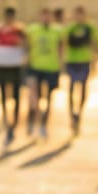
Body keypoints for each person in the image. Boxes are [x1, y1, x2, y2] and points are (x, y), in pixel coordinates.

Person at [0, 6, 28, 145]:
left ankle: (14, 122)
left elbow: (28, 45)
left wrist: (21, 45)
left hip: (15, 65)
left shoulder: (20, 30)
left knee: (16, 95)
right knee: (2, 93)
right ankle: (5, 120)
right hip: (1, 64)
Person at [25, 7, 64, 138]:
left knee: (48, 98)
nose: (46, 19)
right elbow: (24, 43)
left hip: (52, 67)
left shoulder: (58, 30)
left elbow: (62, 46)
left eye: (48, 16)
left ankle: (44, 124)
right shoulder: (32, 30)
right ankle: (31, 120)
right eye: (43, 16)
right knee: (33, 97)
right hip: (34, 67)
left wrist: (61, 63)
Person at [64, 5, 98, 133]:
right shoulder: (70, 28)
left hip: (85, 61)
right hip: (72, 61)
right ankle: (72, 114)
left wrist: (96, 61)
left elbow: (95, 44)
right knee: (72, 89)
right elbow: (63, 42)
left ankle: (79, 113)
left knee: (83, 90)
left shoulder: (90, 28)